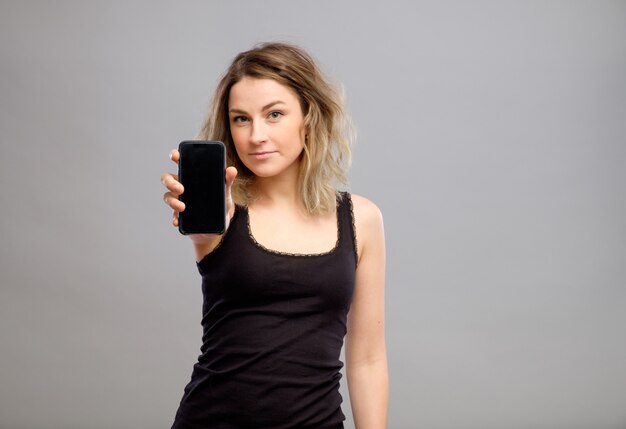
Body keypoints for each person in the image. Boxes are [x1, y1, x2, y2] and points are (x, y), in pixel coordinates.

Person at [161, 42, 388, 429]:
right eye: (241, 119)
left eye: (274, 114)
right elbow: (201, 236)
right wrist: (199, 222)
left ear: (309, 116)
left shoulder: (360, 219)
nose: (256, 136)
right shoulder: (223, 212)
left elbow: (367, 359)